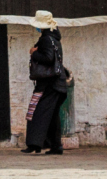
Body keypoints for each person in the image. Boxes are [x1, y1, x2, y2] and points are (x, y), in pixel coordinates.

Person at [24, 10, 72, 155]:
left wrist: (34, 52)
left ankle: (35, 144)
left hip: (49, 84)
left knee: (36, 113)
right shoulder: (54, 38)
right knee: (51, 116)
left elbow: (48, 58)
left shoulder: (46, 39)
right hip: (57, 83)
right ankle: (55, 146)